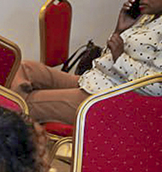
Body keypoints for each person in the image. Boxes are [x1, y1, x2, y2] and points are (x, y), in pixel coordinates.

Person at [11, 0, 162, 125]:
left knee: (24, 103)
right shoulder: (147, 19)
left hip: (106, 98)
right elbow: (108, 57)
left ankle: (10, 124)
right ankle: (16, 121)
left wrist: (120, 58)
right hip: (93, 80)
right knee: (25, 68)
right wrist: (119, 30)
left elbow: (157, 87)